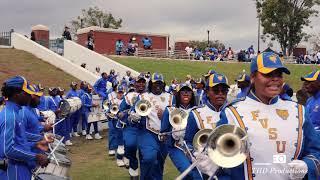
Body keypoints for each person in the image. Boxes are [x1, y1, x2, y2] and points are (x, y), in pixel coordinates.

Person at [219, 52, 320, 179]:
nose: (275, 79)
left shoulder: (298, 110)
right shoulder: (232, 112)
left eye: (279, 74)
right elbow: (217, 157)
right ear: (253, 77)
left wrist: (307, 165)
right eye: (268, 74)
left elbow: (315, 152)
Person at [0, 76, 49, 180]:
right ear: (17, 94)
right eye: (26, 93)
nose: (30, 97)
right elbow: (8, 150)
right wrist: (36, 157)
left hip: (20, 167)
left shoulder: (15, 113)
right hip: (13, 171)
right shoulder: (10, 116)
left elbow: (19, 139)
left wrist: (35, 143)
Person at [130, 73, 175, 180]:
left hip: (165, 135)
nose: (158, 86)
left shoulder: (171, 97)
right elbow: (132, 114)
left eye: (160, 83)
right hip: (147, 132)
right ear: (151, 84)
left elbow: (176, 115)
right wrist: (134, 116)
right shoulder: (142, 97)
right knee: (149, 157)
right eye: (155, 83)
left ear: (163, 84)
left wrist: (166, 115)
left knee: (160, 162)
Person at [184, 73, 230, 178]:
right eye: (216, 90)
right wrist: (195, 156)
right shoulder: (196, 114)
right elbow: (187, 143)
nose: (220, 94)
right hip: (206, 169)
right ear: (207, 92)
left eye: (224, 91)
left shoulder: (233, 112)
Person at [160, 83, 202, 179]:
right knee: (188, 171)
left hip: (195, 148)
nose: (186, 93)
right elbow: (163, 135)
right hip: (177, 147)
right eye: (183, 91)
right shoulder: (170, 110)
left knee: (199, 175)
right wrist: (173, 136)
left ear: (192, 94)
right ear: (178, 94)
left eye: (188, 91)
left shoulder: (198, 111)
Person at [119, 73, 146, 178]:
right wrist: (128, 113)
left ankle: (144, 175)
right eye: (139, 82)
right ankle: (133, 168)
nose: (141, 84)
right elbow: (120, 112)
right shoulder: (129, 96)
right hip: (131, 127)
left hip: (146, 128)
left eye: (143, 82)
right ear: (135, 83)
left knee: (145, 154)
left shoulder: (149, 95)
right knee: (130, 146)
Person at [106, 85, 125, 167]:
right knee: (117, 138)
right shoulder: (113, 101)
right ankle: (119, 157)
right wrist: (108, 114)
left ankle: (124, 156)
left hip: (124, 122)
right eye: (119, 92)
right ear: (116, 92)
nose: (120, 94)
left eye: (121, 92)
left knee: (125, 140)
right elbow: (108, 110)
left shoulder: (126, 100)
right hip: (115, 122)